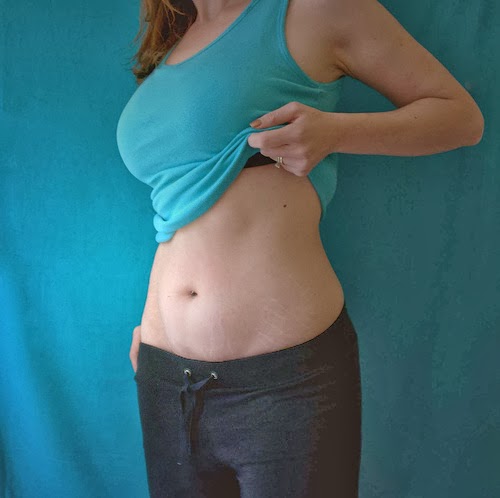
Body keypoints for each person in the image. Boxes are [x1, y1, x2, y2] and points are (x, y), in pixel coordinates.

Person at [116, 0, 484, 496]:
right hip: (166, 380)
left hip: (284, 382)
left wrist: (336, 133)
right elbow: (183, 211)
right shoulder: (172, 46)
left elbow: (461, 117)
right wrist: (160, 332)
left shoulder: (312, 10)